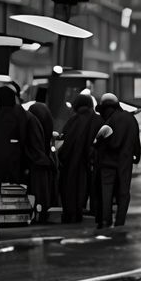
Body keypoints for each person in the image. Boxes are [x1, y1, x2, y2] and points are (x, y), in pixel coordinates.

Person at [0, 87, 46, 242]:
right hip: (18, 160)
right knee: (30, 187)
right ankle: (37, 212)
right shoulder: (23, 115)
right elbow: (29, 136)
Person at [94, 93, 141, 228]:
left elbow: (101, 141)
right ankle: (120, 221)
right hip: (125, 162)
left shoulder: (109, 120)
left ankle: (105, 220)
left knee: (106, 193)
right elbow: (136, 141)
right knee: (123, 193)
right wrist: (136, 156)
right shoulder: (131, 119)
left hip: (107, 162)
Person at [56, 93, 99, 225]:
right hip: (91, 163)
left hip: (71, 163)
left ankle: (71, 214)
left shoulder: (72, 121)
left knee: (70, 188)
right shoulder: (97, 120)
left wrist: (61, 157)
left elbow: (64, 142)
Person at [24, 86, 57, 224]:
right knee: (43, 189)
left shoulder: (33, 110)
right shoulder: (46, 111)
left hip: (34, 157)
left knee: (33, 188)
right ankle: (43, 212)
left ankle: (34, 213)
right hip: (45, 155)